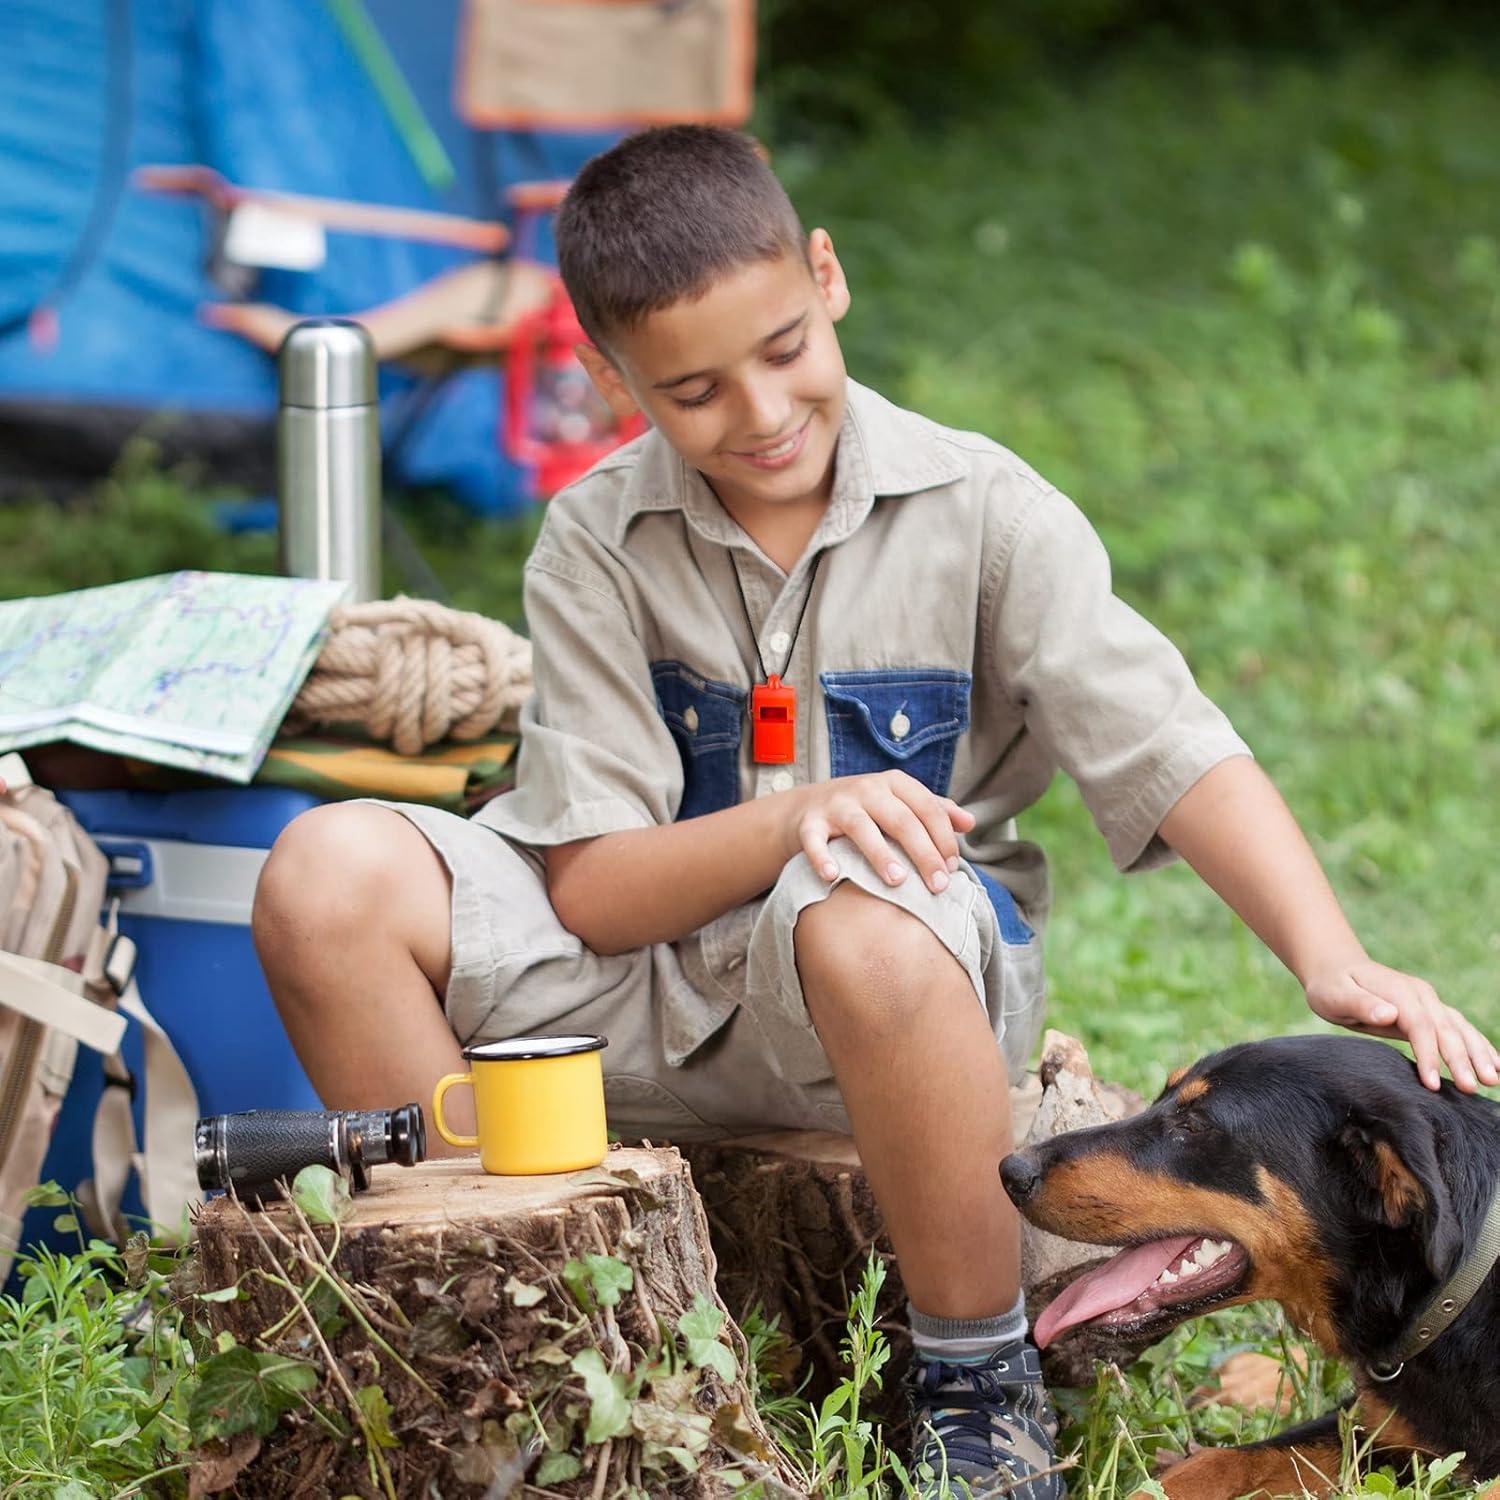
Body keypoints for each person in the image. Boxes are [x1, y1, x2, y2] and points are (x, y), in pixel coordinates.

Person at [250, 126, 1499, 1497]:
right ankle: (498, 1323)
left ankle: (977, 1377)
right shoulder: (596, 537)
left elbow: (1171, 747)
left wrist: (1330, 960)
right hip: (626, 1003)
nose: (762, 410)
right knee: (325, 869)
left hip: (893, 1009)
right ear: (613, 381)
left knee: (859, 906)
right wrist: (799, 815)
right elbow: (593, 890)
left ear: (828, 278)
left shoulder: (984, 512)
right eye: (694, 388)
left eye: (784, 347)